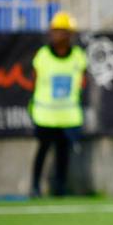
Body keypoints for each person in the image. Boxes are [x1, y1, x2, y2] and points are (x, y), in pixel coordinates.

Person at [29, 11, 88, 198]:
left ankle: (60, 188)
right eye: (56, 31)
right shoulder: (43, 55)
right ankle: (35, 187)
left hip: (67, 115)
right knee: (43, 150)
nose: (58, 35)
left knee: (63, 152)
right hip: (45, 115)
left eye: (63, 31)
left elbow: (82, 82)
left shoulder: (78, 56)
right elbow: (34, 80)